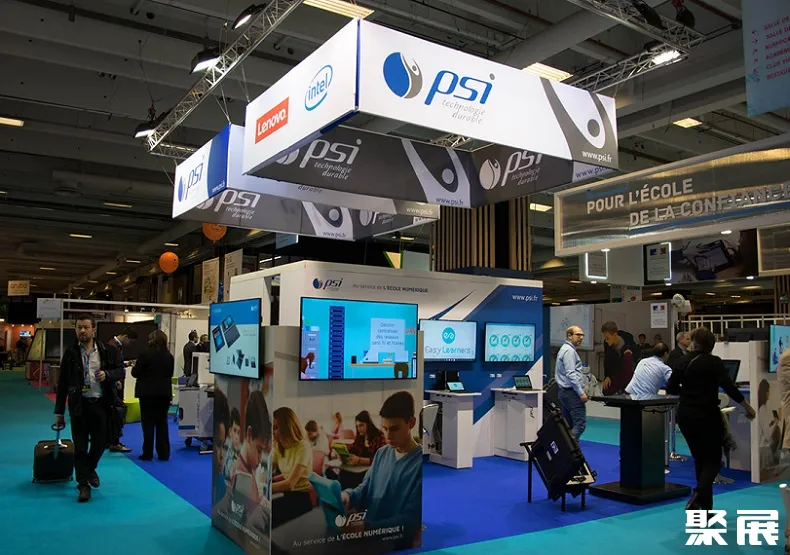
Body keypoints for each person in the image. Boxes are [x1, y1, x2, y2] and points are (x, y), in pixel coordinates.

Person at [666, 327, 756, 511]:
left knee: (700, 460)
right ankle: (698, 494)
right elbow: (730, 388)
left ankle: (705, 511)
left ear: (694, 342)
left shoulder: (682, 361)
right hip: (707, 415)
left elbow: (671, 389)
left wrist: (689, 392)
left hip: (685, 415)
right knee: (713, 460)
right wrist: (747, 406)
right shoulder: (714, 362)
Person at [54, 314, 124, 503]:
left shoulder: (107, 350)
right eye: (79, 327)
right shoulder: (71, 353)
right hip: (79, 406)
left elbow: (121, 371)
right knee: (80, 447)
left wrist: (107, 374)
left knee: (101, 443)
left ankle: (90, 468)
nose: (82, 331)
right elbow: (63, 383)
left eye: (86, 327)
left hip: (101, 404)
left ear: (94, 329)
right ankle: (83, 485)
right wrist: (59, 413)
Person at [341, 391, 422, 550]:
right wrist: (348, 496)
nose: (388, 436)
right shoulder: (381, 453)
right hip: (368, 536)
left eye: (394, 429)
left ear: (411, 423)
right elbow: (365, 488)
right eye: (384, 429)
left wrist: (367, 528)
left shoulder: (421, 464)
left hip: (393, 543)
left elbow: (410, 520)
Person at [132, 330, 174, 461]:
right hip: (164, 393)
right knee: (162, 423)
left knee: (148, 424)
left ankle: (147, 452)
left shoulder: (145, 354)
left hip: (147, 393)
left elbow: (135, 373)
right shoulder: (169, 356)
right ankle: (164, 453)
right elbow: (170, 374)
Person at [271, 407, 313, 528]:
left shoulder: (303, 446)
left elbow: (290, 484)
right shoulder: (279, 446)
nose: (273, 432)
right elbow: (268, 469)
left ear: (286, 427)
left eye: (276, 428)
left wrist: (265, 488)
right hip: (286, 495)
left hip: (301, 500)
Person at [106, 327, 137, 453]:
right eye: (130, 341)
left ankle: (110, 441)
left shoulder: (115, 345)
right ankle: (114, 442)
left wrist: (126, 364)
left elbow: (116, 364)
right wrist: (115, 379)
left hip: (115, 383)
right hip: (115, 385)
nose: (130, 344)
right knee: (117, 413)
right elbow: (109, 365)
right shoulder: (112, 346)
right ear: (125, 336)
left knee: (114, 413)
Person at [555, 325, 587, 440]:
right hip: (571, 393)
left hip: (564, 392)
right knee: (580, 425)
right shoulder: (569, 351)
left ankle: (564, 448)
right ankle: (569, 447)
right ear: (569, 336)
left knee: (568, 425)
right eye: (578, 335)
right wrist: (581, 392)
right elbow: (571, 374)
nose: (581, 337)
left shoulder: (564, 349)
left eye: (582, 335)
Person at [601, 321, 637, 395]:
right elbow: (607, 360)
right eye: (605, 338)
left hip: (627, 370)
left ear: (615, 335)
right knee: (606, 390)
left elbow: (637, 352)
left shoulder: (627, 340)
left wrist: (630, 351)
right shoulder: (606, 343)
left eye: (608, 338)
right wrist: (607, 376)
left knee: (627, 356)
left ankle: (626, 388)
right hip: (616, 370)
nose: (606, 341)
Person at [223, 408, 242, 481]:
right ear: (230, 432)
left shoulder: (239, 455)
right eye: (235, 431)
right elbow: (230, 475)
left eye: (239, 432)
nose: (237, 437)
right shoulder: (228, 457)